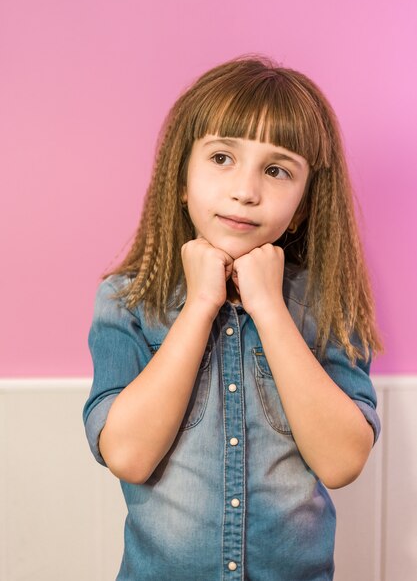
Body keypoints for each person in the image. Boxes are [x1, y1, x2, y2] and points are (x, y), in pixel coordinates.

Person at [83, 55, 382, 581]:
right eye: (222, 158)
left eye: (276, 169)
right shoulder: (128, 300)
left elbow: (341, 463)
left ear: (306, 203)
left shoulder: (329, 301)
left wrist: (269, 307)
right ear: (181, 176)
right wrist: (200, 304)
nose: (246, 189)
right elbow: (127, 455)